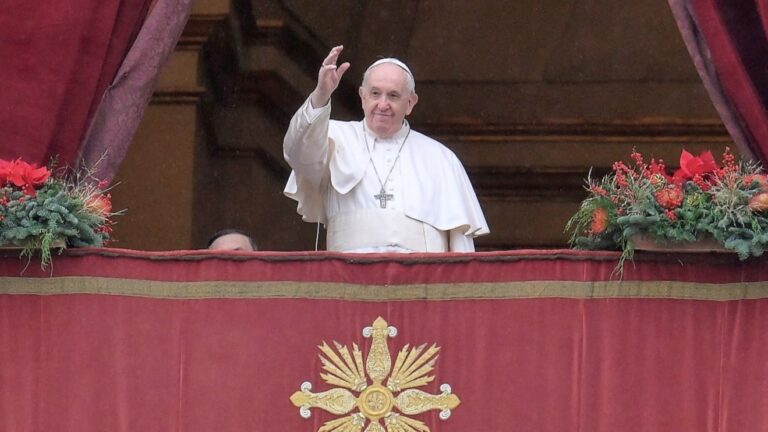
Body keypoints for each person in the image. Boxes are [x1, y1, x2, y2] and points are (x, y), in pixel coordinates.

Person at [283, 45, 489, 252]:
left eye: (393, 96)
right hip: (348, 278)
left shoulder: (441, 158)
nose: (383, 104)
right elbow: (296, 152)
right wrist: (321, 95)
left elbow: (461, 247)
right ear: (362, 96)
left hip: (422, 280)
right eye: (375, 93)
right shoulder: (332, 136)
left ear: (410, 103)